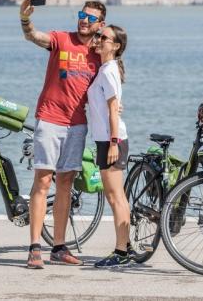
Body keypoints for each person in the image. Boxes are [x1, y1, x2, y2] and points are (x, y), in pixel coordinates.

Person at [20, 0, 106, 269]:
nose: (84, 20)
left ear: (100, 24)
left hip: (78, 124)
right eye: (82, 15)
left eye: (91, 18)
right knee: (43, 180)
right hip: (50, 119)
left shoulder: (99, 53)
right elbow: (33, 36)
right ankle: (34, 247)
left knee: (66, 184)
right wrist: (25, 18)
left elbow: (114, 74)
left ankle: (58, 246)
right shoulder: (61, 39)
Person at [86, 25, 133, 267]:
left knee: (115, 198)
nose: (98, 39)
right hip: (107, 139)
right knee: (119, 197)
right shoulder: (105, 69)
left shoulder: (108, 71)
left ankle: (121, 252)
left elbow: (114, 109)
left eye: (103, 37)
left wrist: (114, 142)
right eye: (98, 36)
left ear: (115, 46)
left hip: (111, 140)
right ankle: (127, 247)